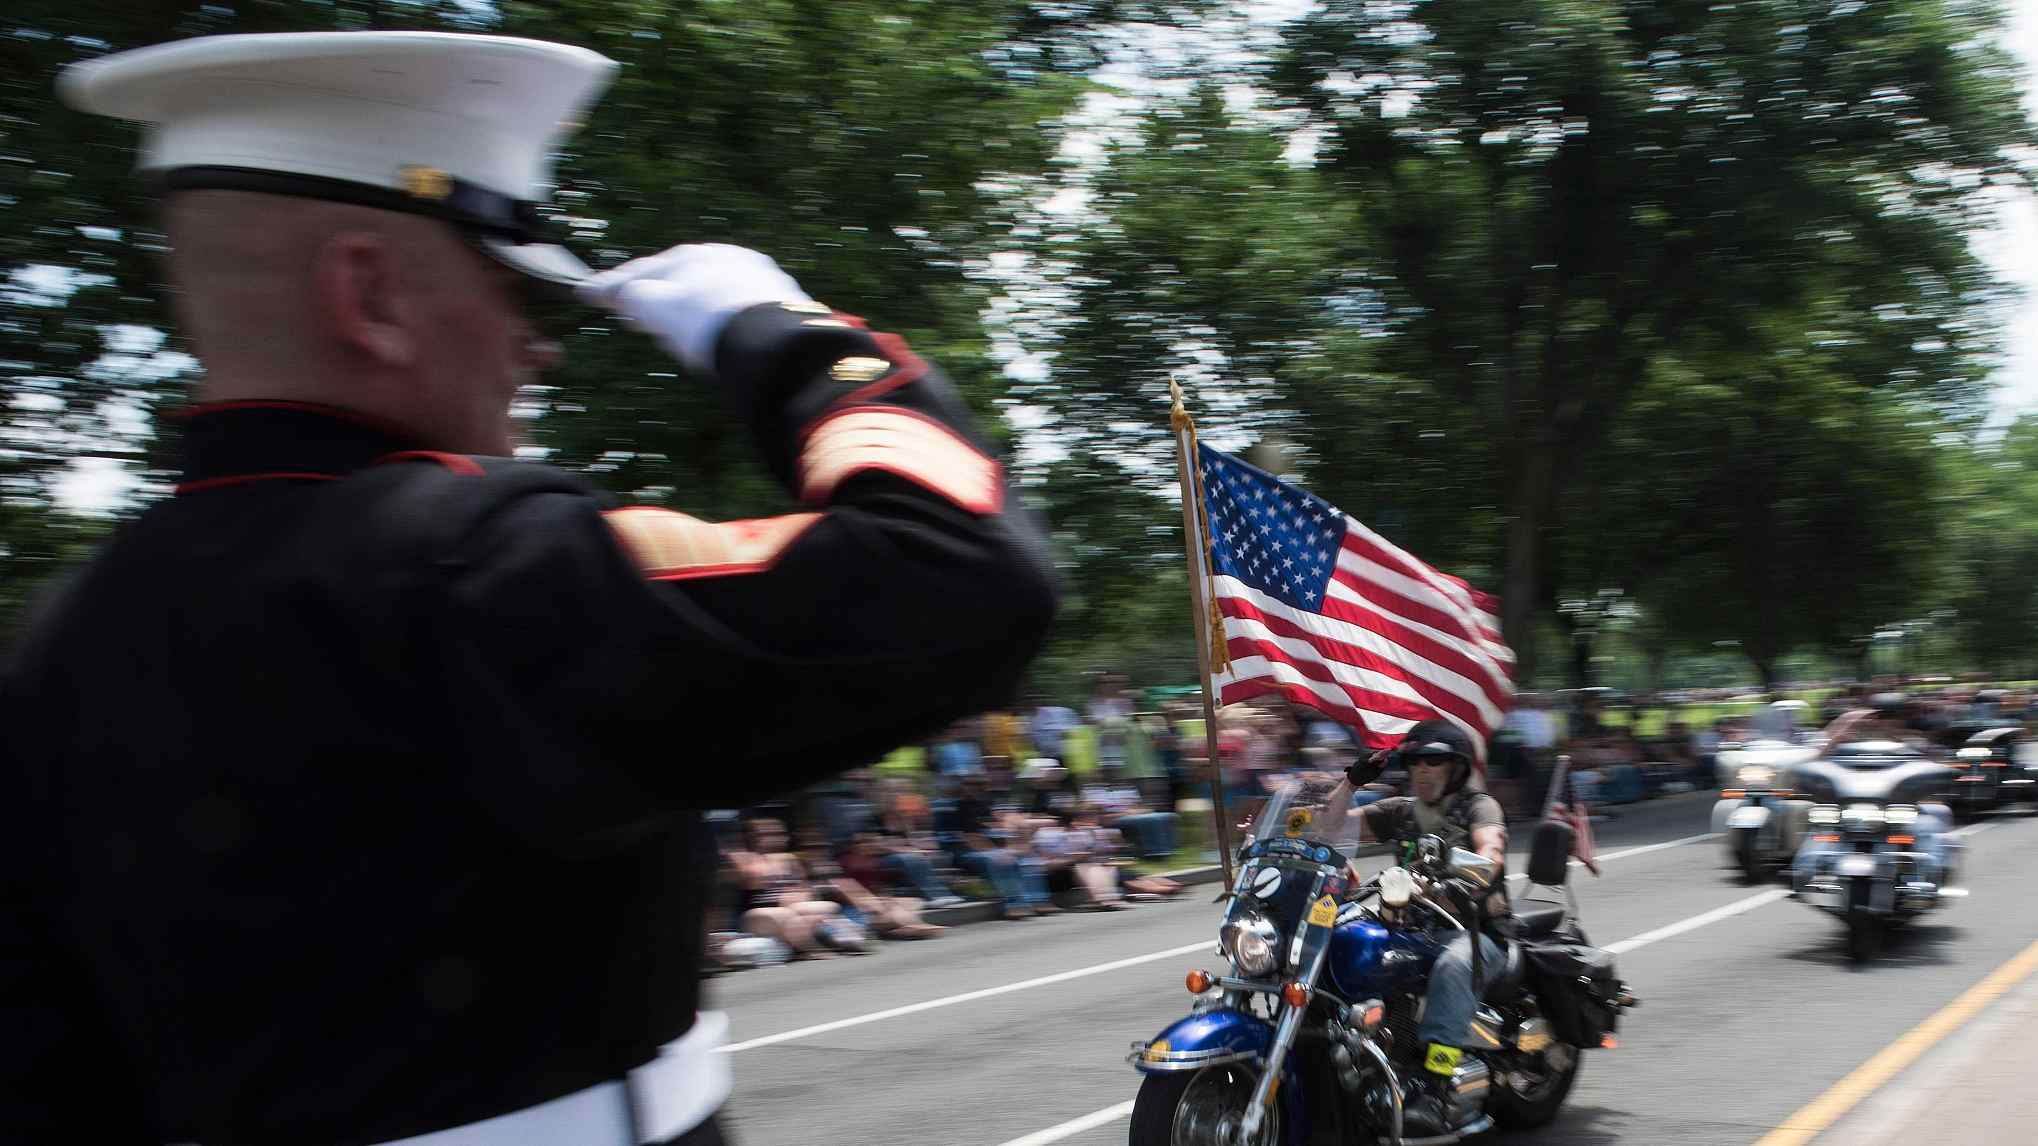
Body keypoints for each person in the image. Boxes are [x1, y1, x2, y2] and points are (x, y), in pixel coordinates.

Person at [2, 31, 1055, 1146]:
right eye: (512, 287)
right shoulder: (479, 563)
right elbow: (966, 569)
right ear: (368, 295)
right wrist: (783, 341)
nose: (535, 349)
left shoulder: (60, 643)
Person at [1315, 719, 1509, 1139]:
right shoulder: (1400, 811)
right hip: (1413, 928)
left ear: (1454, 768)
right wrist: (1352, 781)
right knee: (1341, 941)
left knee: (1453, 968)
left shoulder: (1479, 806)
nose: (1422, 769)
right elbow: (1326, 828)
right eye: (1416, 761)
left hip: (1474, 931)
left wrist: (1463, 878)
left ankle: (1438, 1086)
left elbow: (1491, 851)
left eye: (1433, 760)